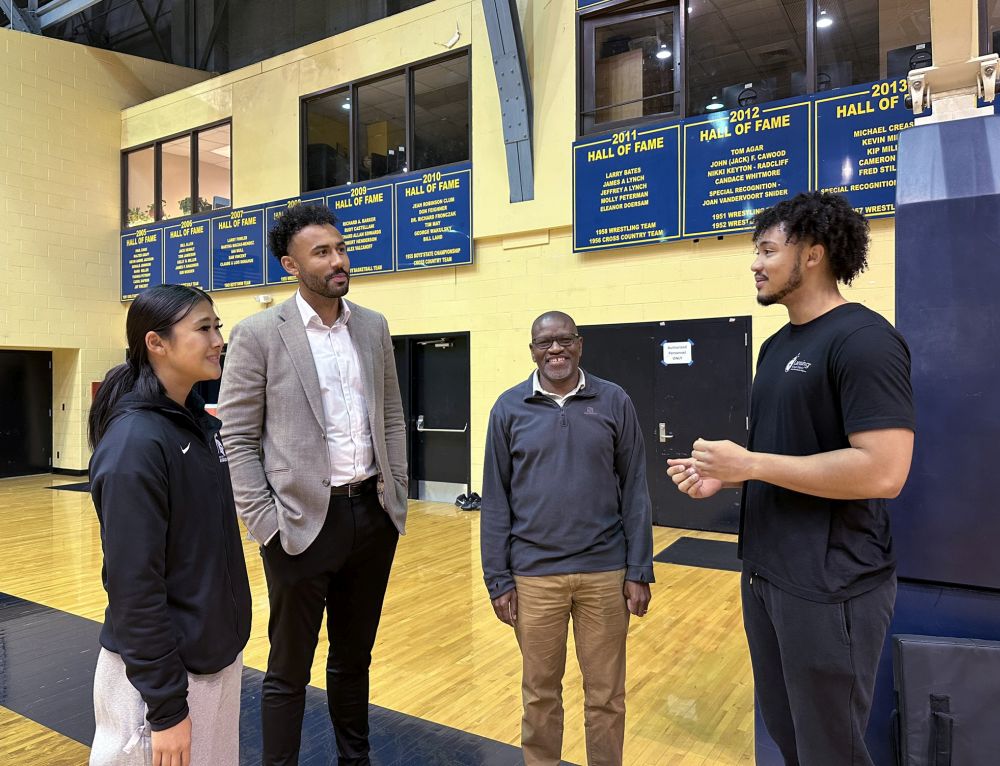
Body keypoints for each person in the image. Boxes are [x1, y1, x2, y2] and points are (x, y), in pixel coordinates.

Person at [667, 192, 915, 766]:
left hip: (833, 585)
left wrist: (750, 465)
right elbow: (790, 457)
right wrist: (730, 478)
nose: (755, 262)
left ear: (813, 255)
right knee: (788, 737)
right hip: (766, 575)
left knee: (833, 749)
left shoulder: (865, 341)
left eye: (767, 249)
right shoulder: (776, 347)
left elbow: (884, 471)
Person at [218, 203, 407, 766]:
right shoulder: (257, 334)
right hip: (298, 523)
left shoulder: (372, 326)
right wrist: (264, 523)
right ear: (290, 265)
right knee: (288, 669)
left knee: (354, 660)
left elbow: (391, 414)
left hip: (370, 517)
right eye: (321, 252)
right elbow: (238, 436)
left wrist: (393, 492)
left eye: (341, 248)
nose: (338, 260)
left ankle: (356, 760)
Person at [88, 284, 252, 766]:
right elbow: (133, 587)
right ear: (155, 343)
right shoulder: (135, 443)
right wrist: (165, 707)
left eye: (217, 326)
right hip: (160, 683)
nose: (218, 338)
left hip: (211, 661)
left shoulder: (196, 425)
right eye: (204, 328)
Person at [481, 310, 654, 766]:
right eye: (545, 343)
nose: (555, 349)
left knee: (606, 696)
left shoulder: (614, 401)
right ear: (532, 350)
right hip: (534, 577)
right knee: (539, 694)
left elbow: (635, 487)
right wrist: (498, 578)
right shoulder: (508, 408)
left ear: (580, 344)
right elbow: (495, 499)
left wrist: (638, 569)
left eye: (564, 340)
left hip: (605, 574)